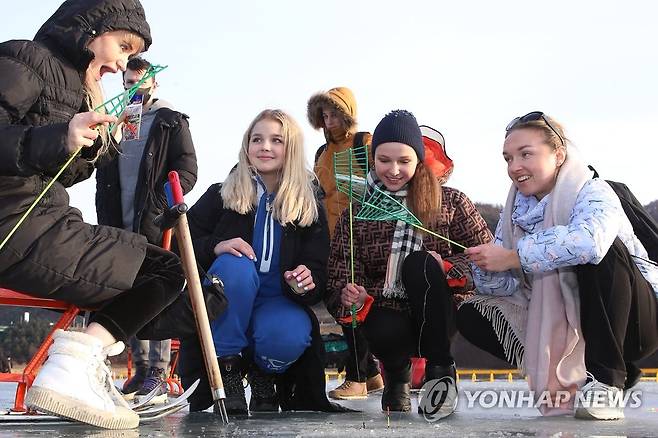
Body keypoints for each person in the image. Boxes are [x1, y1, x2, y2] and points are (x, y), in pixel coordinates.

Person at [0, 0, 186, 429]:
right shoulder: (27, 57)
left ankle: (83, 365)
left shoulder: (77, 85)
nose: (123, 62)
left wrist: (95, 145)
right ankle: (71, 364)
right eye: (122, 46)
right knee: (161, 272)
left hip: (41, 216)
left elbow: (57, 170)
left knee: (168, 274)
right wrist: (59, 135)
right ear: (91, 29)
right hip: (14, 222)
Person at [463, 111, 658, 420]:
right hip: (569, 321)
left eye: (526, 154)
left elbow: (590, 242)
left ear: (559, 154)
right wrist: (487, 265)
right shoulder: (514, 210)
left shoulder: (593, 190)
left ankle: (607, 378)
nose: (515, 167)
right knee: (471, 313)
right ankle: (583, 367)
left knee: (601, 252)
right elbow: (506, 287)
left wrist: (514, 257)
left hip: (637, 321)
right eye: (508, 158)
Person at [176, 109, 347, 415]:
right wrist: (216, 246)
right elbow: (182, 244)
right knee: (234, 265)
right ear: (246, 146)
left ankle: (262, 373)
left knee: (290, 333)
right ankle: (227, 370)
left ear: (290, 149)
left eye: (276, 140)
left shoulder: (308, 204)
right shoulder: (222, 194)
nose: (265, 146)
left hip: (277, 299)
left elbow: (319, 269)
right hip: (229, 299)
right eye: (258, 139)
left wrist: (307, 281)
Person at [325, 110, 493, 415]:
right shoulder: (356, 213)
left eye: (403, 161)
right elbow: (339, 271)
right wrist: (354, 296)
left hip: (441, 311)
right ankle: (396, 378)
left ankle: (440, 371)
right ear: (372, 159)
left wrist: (446, 268)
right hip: (387, 314)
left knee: (419, 264)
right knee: (380, 323)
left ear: (418, 159)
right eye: (384, 160)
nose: (393, 170)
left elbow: (486, 256)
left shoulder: (451, 202)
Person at [95, 56, 198, 402]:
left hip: (152, 222)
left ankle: (157, 370)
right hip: (117, 222)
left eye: (140, 82)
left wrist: (162, 202)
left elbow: (187, 169)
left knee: (157, 290)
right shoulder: (119, 121)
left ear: (153, 82)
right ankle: (138, 368)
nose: (133, 89)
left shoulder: (171, 121)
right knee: (127, 290)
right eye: (128, 83)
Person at [306, 86, 383, 399]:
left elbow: (385, 183)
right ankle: (373, 375)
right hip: (330, 238)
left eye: (335, 112)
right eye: (324, 114)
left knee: (353, 305)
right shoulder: (321, 154)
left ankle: (358, 377)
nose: (329, 119)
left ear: (348, 112)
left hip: (363, 236)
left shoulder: (365, 142)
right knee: (338, 304)